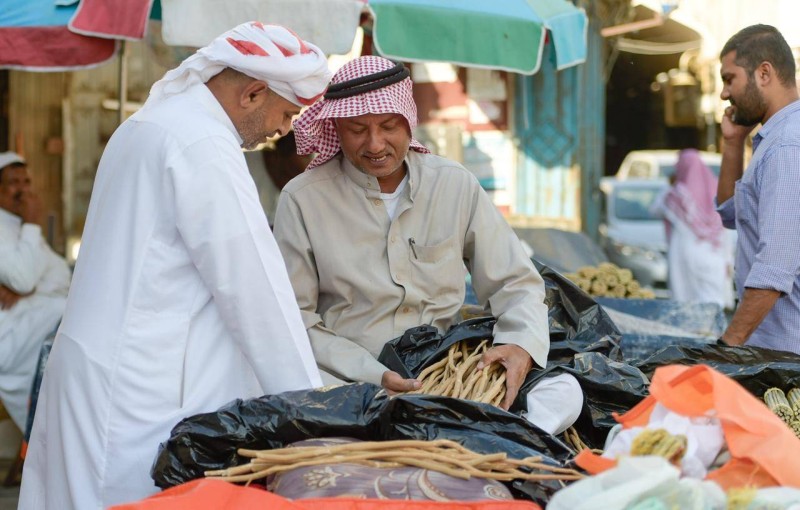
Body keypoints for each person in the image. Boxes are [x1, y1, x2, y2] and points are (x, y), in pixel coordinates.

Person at [19, 23, 331, 510]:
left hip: (107, 371)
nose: (285, 131)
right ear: (252, 93)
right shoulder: (202, 146)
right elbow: (253, 290)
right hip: (141, 389)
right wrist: (311, 414)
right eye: (287, 113)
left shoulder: (152, 123)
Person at [273, 56, 583, 434]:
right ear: (336, 127)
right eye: (357, 129)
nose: (375, 144)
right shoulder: (303, 199)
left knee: (565, 389)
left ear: (408, 120)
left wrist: (519, 344)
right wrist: (373, 373)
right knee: (286, 390)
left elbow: (514, 282)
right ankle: (473, 434)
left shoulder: (454, 184)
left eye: (388, 126)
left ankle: (505, 434)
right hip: (349, 376)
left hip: (446, 369)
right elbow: (296, 320)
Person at [715, 25, 800, 352]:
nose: (724, 94)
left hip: (787, 356)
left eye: (729, 78)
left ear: (764, 73)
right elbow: (729, 214)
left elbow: (775, 268)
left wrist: (727, 347)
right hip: (772, 350)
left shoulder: (787, 146)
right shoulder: (772, 140)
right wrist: (733, 142)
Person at [0, 152, 70, 433]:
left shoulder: (23, 229)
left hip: (29, 323)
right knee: (69, 316)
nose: (23, 189)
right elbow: (24, 277)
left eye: (27, 181)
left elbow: (62, 278)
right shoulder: (13, 226)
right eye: (14, 182)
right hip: (8, 338)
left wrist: (28, 291)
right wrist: (32, 221)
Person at [650, 149, 732, 307]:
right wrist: (728, 259)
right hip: (714, 254)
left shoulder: (677, 195)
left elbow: (655, 209)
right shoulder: (717, 191)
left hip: (686, 254)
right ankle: (710, 332)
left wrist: (670, 185)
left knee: (686, 301)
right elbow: (725, 230)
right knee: (712, 302)